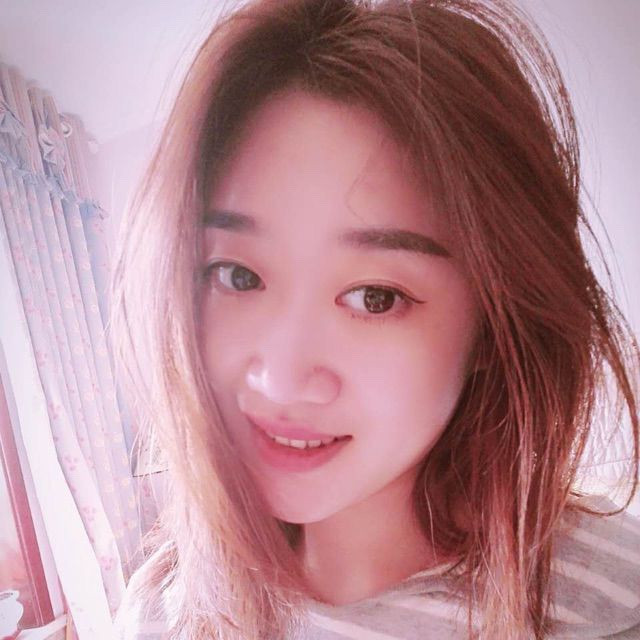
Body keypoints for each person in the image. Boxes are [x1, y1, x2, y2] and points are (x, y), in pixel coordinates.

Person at [110, 0, 640, 638]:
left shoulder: (610, 604)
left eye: (375, 297)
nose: (280, 379)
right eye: (238, 276)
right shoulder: (163, 608)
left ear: (492, 326)